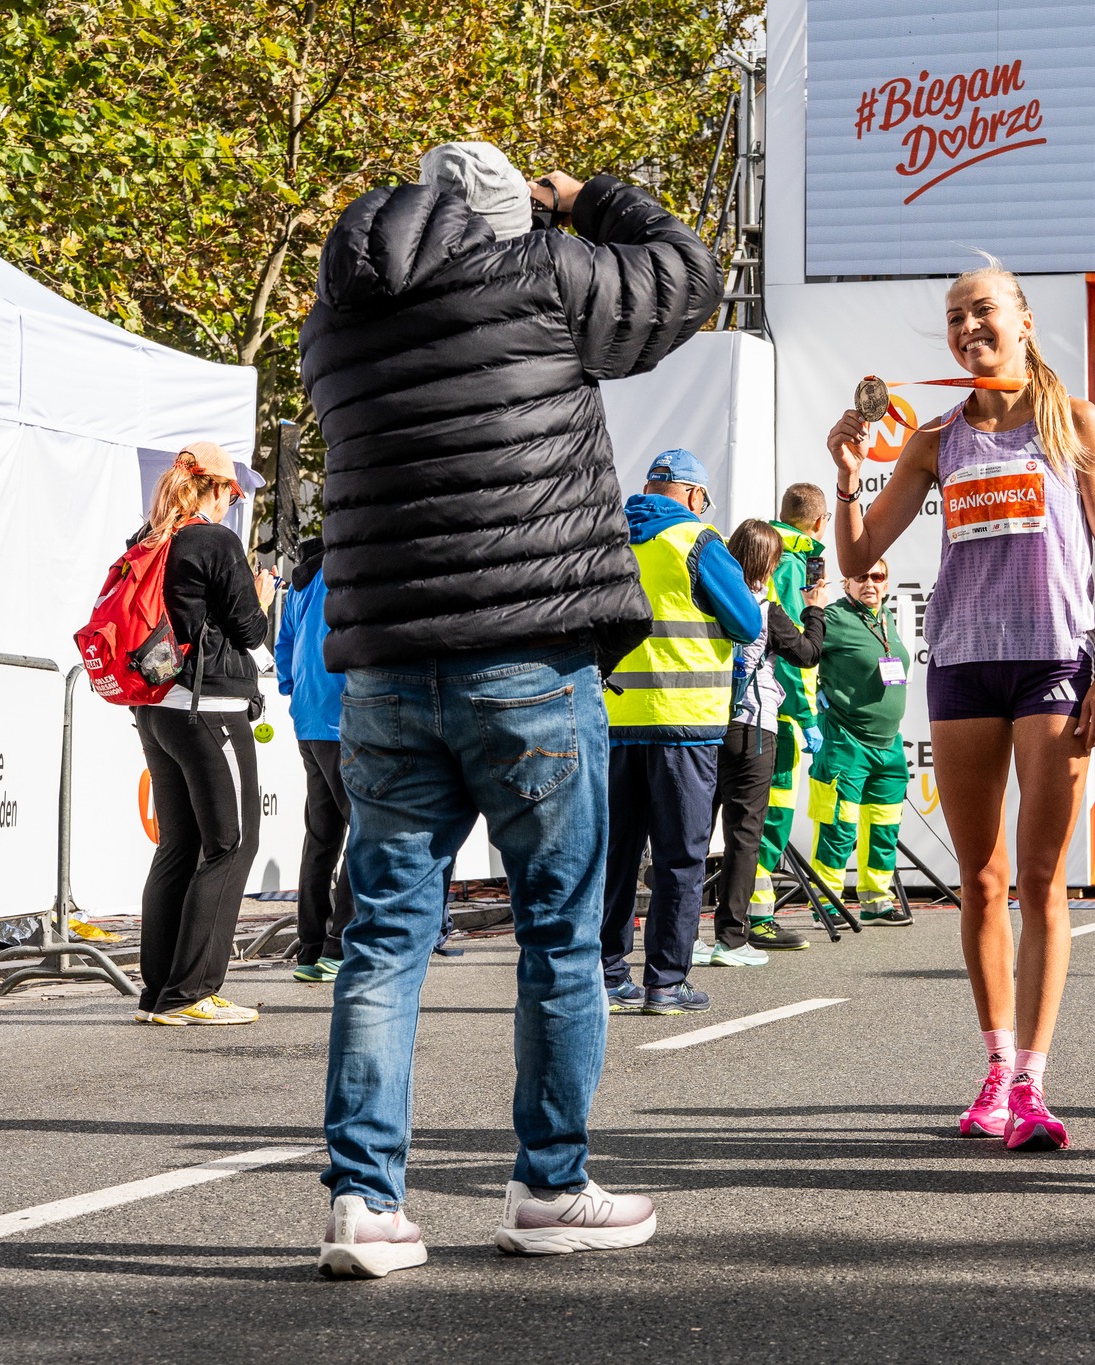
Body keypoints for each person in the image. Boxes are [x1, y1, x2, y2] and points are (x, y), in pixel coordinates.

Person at [299, 140, 720, 1276]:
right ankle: (548, 1185)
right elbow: (684, 272)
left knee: (384, 938)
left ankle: (363, 1205)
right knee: (558, 936)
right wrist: (586, 200)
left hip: (385, 670)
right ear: (507, 219)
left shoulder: (333, 319)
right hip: (528, 659)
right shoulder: (536, 274)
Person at [825, 256, 1095, 1152]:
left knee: (1040, 879)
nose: (968, 328)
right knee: (980, 882)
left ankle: (1034, 1082)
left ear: (1025, 321)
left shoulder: (1074, 423)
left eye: (984, 311)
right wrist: (846, 474)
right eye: (956, 315)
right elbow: (858, 557)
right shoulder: (934, 438)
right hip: (962, 664)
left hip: (1053, 662)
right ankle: (996, 1068)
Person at [601, 450, 764, 1012]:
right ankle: (666, 981)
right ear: (695, 496)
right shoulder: (698, 541)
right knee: (679, 857)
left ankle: (606, 972)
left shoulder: (611, 538)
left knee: (615, 853)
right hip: (685, 723)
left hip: (617, 720)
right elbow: (746, 622)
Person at [132, 443, 275, 1026]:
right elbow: (248, 628)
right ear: (215, 489)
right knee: (233, 845)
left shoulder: (148, 539)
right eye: (232, 493)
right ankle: (191, 992)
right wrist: (262, 599)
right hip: (210, 705)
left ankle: (158, 993)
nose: (231, 504)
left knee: (178, 847)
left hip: (156, 705)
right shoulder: (214, 541)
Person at [710, 520, 827, 967]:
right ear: (770, 563)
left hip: (705, 724)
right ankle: (731, 937)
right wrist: (815, 610)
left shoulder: (709, 599)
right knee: (744, 833)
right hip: (754, 725)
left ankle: (681, 939)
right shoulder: (765, 607)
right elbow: (807, 654)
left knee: (694, 831)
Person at [808, 557, 914, 924]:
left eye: (878, 576)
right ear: (847, 583)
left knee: (884, 826)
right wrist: (813, 703)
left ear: (887, 582)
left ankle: (876, 901)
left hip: (888, 744)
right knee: (839, 826)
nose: (870, 583)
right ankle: (827, 902)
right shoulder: (835, 618)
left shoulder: (886, 617)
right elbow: (799, 655)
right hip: (845, 740)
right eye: (860, 576)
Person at [750, 483, 830, 951]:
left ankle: (742, 913)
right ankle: (756, 917)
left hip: (749, 704)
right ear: (819, 522)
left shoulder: (763, 547)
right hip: (779, 709)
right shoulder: (794, 560)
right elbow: (796, 648)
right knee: (772, 814)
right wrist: (807, 716)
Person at [274, 535, 352, 983]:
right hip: (341, 714)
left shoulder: (304, 578)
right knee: (364, 831)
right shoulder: (345, 567)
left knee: (322, 836)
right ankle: (339, 945)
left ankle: (310, 946)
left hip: (308, 716)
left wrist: (291, 688)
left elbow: (284, 643)